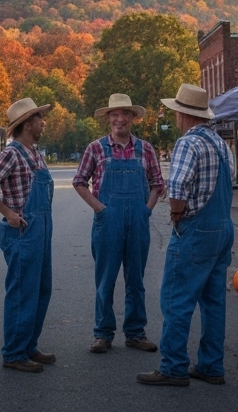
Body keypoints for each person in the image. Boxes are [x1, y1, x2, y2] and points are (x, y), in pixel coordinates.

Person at [138, 83, 234, 387]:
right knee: (213, 301)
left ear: (182, 115)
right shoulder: (220, 143)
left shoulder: (187, 143)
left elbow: (177, 187)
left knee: (176, 298)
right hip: (222, 226)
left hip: (197, 227)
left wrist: (176, 215)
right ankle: (211, 365)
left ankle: (174, 366)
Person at [73, 93, 164, 354]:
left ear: (133, 118)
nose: (120, 119)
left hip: (138, 220)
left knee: (136, 279)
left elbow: (158, 184)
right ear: (108, 118)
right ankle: (103, 333)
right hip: (107, 220)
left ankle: (136, 333)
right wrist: (100, 209)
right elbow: (80, 181)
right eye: (115, 114)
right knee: (106, 279)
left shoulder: (145, 148)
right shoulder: (96, 148)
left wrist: (146, 210)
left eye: (125, 114)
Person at [0, 97, 55, 373]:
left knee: (41, 290)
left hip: (41, 230)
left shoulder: (35, 152)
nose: (42, 123)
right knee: (23, 292)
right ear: (28, 124)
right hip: (22, 232)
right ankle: (13, 352)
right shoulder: (12, 153)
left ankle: (28, 345)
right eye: (39, 119)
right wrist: (8, 213)